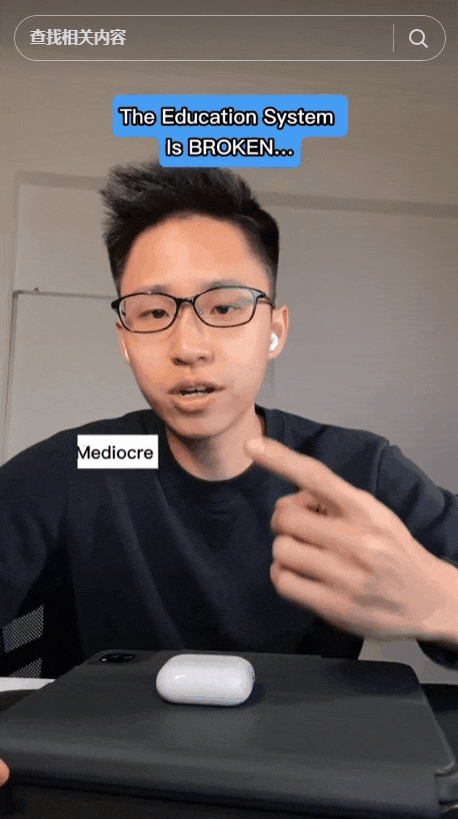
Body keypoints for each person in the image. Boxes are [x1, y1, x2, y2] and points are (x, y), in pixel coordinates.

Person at [1, 163, 458, 786]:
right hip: (102, 773)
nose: (188, 345)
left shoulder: (355, 469)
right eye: (153, 313)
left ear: (274, 330)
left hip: (299, 775)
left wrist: (440, 602)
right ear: (125, 339)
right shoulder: (94, 459)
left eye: (224, 306)